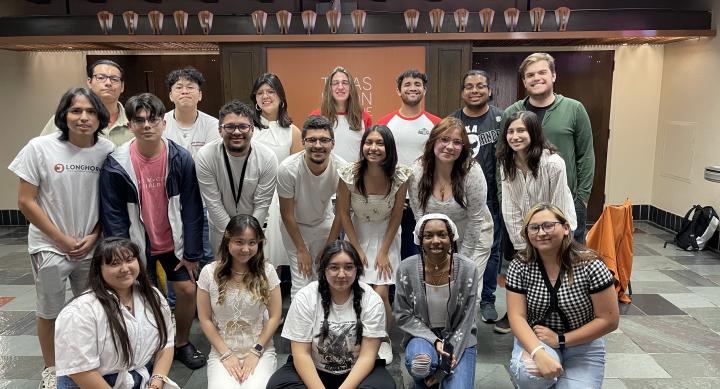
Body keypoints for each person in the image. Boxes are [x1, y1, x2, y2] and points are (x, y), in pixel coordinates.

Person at [9, 87, 115, 389]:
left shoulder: (105, 150)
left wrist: (94, 235)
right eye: (76, 111)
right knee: (50, 310)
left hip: (91, 247)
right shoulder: (39, 147)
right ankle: (52, 367)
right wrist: (61, 239)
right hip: (49, 248)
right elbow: (26, 201)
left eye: (91, 111)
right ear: (63, 115)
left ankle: (89, 362)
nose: (84, 118)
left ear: (100, 116)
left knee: (93, 308)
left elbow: (107, 201)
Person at [99, 93, 206, 370]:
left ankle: (181, 342)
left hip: (173, 242)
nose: (147, 125)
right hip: (135, 244)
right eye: (140, 120)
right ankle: (146, 348)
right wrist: (123, 255)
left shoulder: (179, 158)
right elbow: (113, 213)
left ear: (163, 123)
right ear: (131, 125)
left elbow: (193, 207)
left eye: (153, 119)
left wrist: (192, 252)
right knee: (137, 295)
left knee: (185, 290)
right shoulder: (116, 162)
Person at [506, 203, 618, 389]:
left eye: (548, 225)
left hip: (584, 346)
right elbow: (517, 317)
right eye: (534, 228)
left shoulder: (590, 265)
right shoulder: (520, 265)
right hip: (538, 339)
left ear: (566, 228)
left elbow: (609, 320)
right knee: (529, 374)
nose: (541, 233)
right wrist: (538, 352)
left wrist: (561, 339)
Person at [266, 240, 395, 389]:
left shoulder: (371, 299)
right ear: (324, 269)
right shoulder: (305, 297)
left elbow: (367, 356)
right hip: (314, 370)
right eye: (334, 267)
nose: (342, 274)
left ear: (357, 270)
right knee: (277, 386)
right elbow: (301, 353)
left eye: (348, 267)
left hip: (356, 371)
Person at [54, 237, 179, 389]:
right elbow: (81, 372)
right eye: (114, 263)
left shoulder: (152, 295)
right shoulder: (80, 312)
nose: (125, 268)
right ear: (98, 269)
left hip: (141, 380)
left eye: (129, 260)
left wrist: (156, 382)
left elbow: (166, 344)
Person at [336, 125, 412, 363]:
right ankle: (358, 335)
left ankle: (382, 339)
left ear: (389, 148)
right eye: (369, 142)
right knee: (354, 289)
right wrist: (356, 249)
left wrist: (383, 251)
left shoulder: (400, 175)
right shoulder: (349, 173)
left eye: (380, 143)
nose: (374, 148)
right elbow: (343, 214)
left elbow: (398, 216)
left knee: (380, 293)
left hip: (386, 236)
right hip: (356, 234)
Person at [502, 52, 594, 244]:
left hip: (565, 199)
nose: (536, 78)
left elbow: (586, 155)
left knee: (566, 261)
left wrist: (582, 199)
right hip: (522, 204)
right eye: (530, 75)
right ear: (524, 81)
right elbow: (503, 154)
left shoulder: (574, 109)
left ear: (553, 76)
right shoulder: (512, 112)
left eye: (542, 72)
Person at [407, 117, 494, 294]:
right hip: (438, 236)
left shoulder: (472, 171)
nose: (450, 147)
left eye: (457, 142)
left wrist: (462, 260)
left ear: (463, 147)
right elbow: (420, 217)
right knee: (439, 288)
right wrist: (431, 249)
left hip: (474, 235)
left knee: (467, 289)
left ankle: (468, 322)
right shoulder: (418, 170)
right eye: (444, 140)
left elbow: (476, 220)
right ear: (433, 141)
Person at [394, 213, 480, 389]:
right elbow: (402, 315)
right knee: (420, 364)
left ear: (452, 238)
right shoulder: (406, 268)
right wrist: (435, 341)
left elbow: (466, 321)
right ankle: (426, 376)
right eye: (428, 235)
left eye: (442, 234)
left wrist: (444, 369)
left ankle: (437, 372)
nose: (435, 241)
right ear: (419, 239)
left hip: (460, 337)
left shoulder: (468, 269)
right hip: (422, 335)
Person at [197, 215, 282, 388]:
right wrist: (226, 355)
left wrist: (256, 352)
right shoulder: (208, 273)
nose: (246, 249)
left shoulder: (268, 271)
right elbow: (205, 319)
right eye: (239, 242)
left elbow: (275, 316)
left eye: (252, 242)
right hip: (222, 349)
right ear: (228, 241)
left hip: (260, 348)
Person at [449, 69, 504, 323]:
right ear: (462, 92)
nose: (475, 90)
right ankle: (459, 297)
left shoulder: (502, 120)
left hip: (494, 198)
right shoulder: (452, 121)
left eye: (480, 86)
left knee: (492, 250)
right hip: (461, 199)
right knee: (463, 247)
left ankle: (488, 300)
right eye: (469, 86)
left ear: (489, 90)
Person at [194, 100, 278, 255]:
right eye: (230, 126)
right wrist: (234, 238)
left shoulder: (267, 158)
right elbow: (213, 204)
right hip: (221, 231)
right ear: (220, 130)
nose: (237, 132)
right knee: (222, 276)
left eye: (243, 126)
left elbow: (262, 204)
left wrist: (246, 239)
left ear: (252, 129)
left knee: (254, 276)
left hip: (254, 230)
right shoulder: (205, 156)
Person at [277, 115, 346, 298]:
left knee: (323, 277)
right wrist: (301, 249)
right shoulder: (287, 169)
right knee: (301, 282)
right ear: (303, 142)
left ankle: (324, 324)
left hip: (324, 223)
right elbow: (286, 213)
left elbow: (341, 212)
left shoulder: (342, 169)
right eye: (312, 140)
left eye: (324, 140)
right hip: (294, 225)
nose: (317, 145)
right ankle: (300, 327)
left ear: (333, 143)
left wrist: (329, 245)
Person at [377, 69, 441, 260]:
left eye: (417, 84)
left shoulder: (436, 124)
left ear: (424, 90)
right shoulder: (385, 123)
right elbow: (378, 161)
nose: (412, 88)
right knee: (394, 249)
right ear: (398, 91)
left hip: (426, 197)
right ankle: (395, 289)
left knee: (424, 249)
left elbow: (442, 162)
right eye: (407, 84)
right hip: (395, 198)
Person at [250, 73, 303, 270]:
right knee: (255, 254)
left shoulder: (293, 131)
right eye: (260, 92)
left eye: (271, 91)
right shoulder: (247, 128)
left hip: (283, 198)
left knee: (277, 256)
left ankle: (276, 297)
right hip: (253, 196)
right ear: (255, 98)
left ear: (280, 96)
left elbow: (299, 172)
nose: (266, 96)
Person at [40, 59, 133, 146]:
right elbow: (43, 149)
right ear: (89, 82)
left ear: (122, 86)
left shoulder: (136, 120)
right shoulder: (67, 117)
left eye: (114, 79)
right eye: (101, 77)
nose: (108, 83)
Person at [310, 66, 372, 162]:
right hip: (326, 174)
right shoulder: (316, 116)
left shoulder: (364, 117)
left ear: (351, 87)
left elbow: (368, 151)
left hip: (355, 175)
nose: (340, 87)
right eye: (335, 83)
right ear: (329, 88)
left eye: (345, 83)